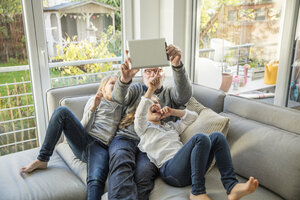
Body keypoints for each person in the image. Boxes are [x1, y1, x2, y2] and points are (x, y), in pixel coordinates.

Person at [134, 77, 259, 200]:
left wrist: (173, 112)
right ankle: (197, 192)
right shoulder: (143, 130)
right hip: (170, 171)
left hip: (190, 169)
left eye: (156, 103)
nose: (154, 104)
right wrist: (150, 90)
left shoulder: (170, 127)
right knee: (201, 138)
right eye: (150, 103)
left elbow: (192, 117)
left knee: (217, 137)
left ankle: (232, 186)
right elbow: (139, 115)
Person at [108, 44, 192, 200]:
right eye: (148, 71)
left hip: (150, 147)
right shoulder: (136, 89)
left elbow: (184, 96)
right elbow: (118, 99)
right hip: (126, 139)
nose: (153, 74)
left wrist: (177, 66)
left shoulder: (169, 93)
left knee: (144, 174)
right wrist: (125, 80)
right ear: (142, 74)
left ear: (164, 74)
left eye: (158, 70)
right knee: (121, 159)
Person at [20, 75, 122, 200]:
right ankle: (42, 159)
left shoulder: (122, 106)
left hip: (101, 148)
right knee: (62, 111)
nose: (116, 86)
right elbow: (83, 127)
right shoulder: (95, 100)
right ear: (103, 89)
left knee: (96, 178)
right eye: (112, 83)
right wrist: (93, 108)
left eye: (119, 85)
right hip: (85, 140)